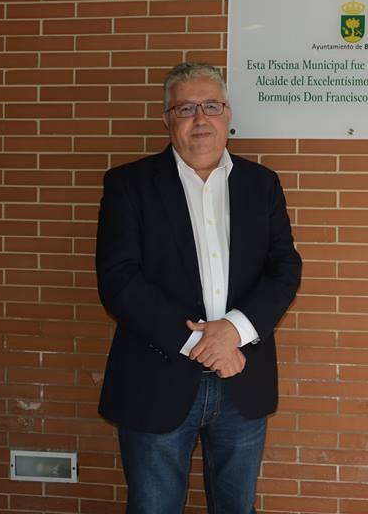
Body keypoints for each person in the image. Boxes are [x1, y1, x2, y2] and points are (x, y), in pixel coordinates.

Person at [95, 61, 302, 513]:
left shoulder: (261, 185)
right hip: (155, 381)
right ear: (167, 119)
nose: (200, 118)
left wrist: (234, 331)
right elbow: (119, 280)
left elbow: (285, 268)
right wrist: (204, 344)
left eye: (211, 106)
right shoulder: (129, 185)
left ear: (228, 114)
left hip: (241, 382)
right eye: (186, 108)